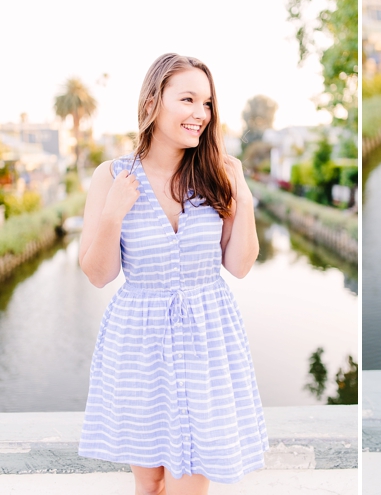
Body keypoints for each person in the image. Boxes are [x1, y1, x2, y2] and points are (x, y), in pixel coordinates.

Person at [77, 53, 268, 494]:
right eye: (187, 99)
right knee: (150, 484)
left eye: (206, 104)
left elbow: (239, 265)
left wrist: (244, 196)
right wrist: (113, 214)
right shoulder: (111, 176)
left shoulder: (218, 174)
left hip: (207, 338)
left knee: (188, 485)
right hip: (138, 344)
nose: (200, 114)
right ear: (152, 104)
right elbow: (98, 274)